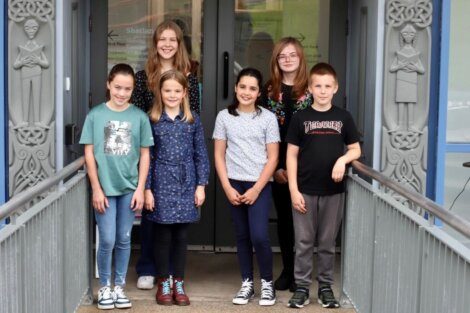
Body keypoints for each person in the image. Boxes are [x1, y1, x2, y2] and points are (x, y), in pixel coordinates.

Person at [131, 20, 201, 291]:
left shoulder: (189, 78)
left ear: (179, 43)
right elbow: (136, 116)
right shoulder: (143, 77)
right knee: (151, 215)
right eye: (163, 39)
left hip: (179, 160)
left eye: (173, 39)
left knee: (177, 223)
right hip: (150, 154)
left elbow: (192, 117)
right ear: (155, 43)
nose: (167, 44)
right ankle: (149, 268)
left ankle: (173, 274)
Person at [286, 62, 361, 309]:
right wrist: (294, 190)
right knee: (304, 242)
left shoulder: (343, 117)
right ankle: (303, 288)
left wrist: (343, 159)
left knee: (328, 243)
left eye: (328, 86)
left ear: (335, 88)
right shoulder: (301, 118)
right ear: (309, 88)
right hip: (305, 190)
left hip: (333, 191)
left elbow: (356, 148)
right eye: (318, 85)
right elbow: (291, 156)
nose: (323, 90)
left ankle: (326, 287)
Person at [79, 63, 154, 310]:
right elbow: (89, 154)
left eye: (128, 89)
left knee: (124, 238)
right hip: (105, 190)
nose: (122, 93)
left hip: (129, 189)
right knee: (107, 239)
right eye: (118, 87)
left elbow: (145, 155)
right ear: (108, 84)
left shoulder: (139, 117)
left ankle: (119, 286)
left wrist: (141, 188)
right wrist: (96, 188)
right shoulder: (95, 115)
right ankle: (105, 287)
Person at [213, 68, 280, 306]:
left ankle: (268, 284)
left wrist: (256, 189)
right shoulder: (224, 117)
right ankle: (247, 283)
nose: (246, 92)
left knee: (259, 236)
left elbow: (273, 158)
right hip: (234, 183)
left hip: (259, 184)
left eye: (252, 88)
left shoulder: (268, 118)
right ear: (235, 88)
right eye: (242, 87)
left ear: (259, 92)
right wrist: (227, 187)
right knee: (242, 235)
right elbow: (219, 155)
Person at [144, 69, 209, 306]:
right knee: (162, 234)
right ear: (160, 92)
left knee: (181, 235)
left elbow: (201, 154)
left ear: (184, 93)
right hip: (161, 181)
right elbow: (147, 157)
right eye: (167, 90)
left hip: (186, 181)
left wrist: (201, 185)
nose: (172, 95)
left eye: (177, 91)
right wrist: (147, 189)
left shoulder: (192, 120)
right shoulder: (151, 120)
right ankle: (163, 281)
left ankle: (178, 281)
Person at [261, 36, 312, 292]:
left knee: (304, 222)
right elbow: (263, 131)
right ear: (276, 60)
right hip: (278, 167)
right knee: (284, 221)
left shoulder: (312, 89)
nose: (288, 59)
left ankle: (303, 273)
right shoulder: (269, 91)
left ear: (300, 58)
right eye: (282, 55)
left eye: (292, 54)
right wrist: (277, 167)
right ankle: (289, 270)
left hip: (307, 168)